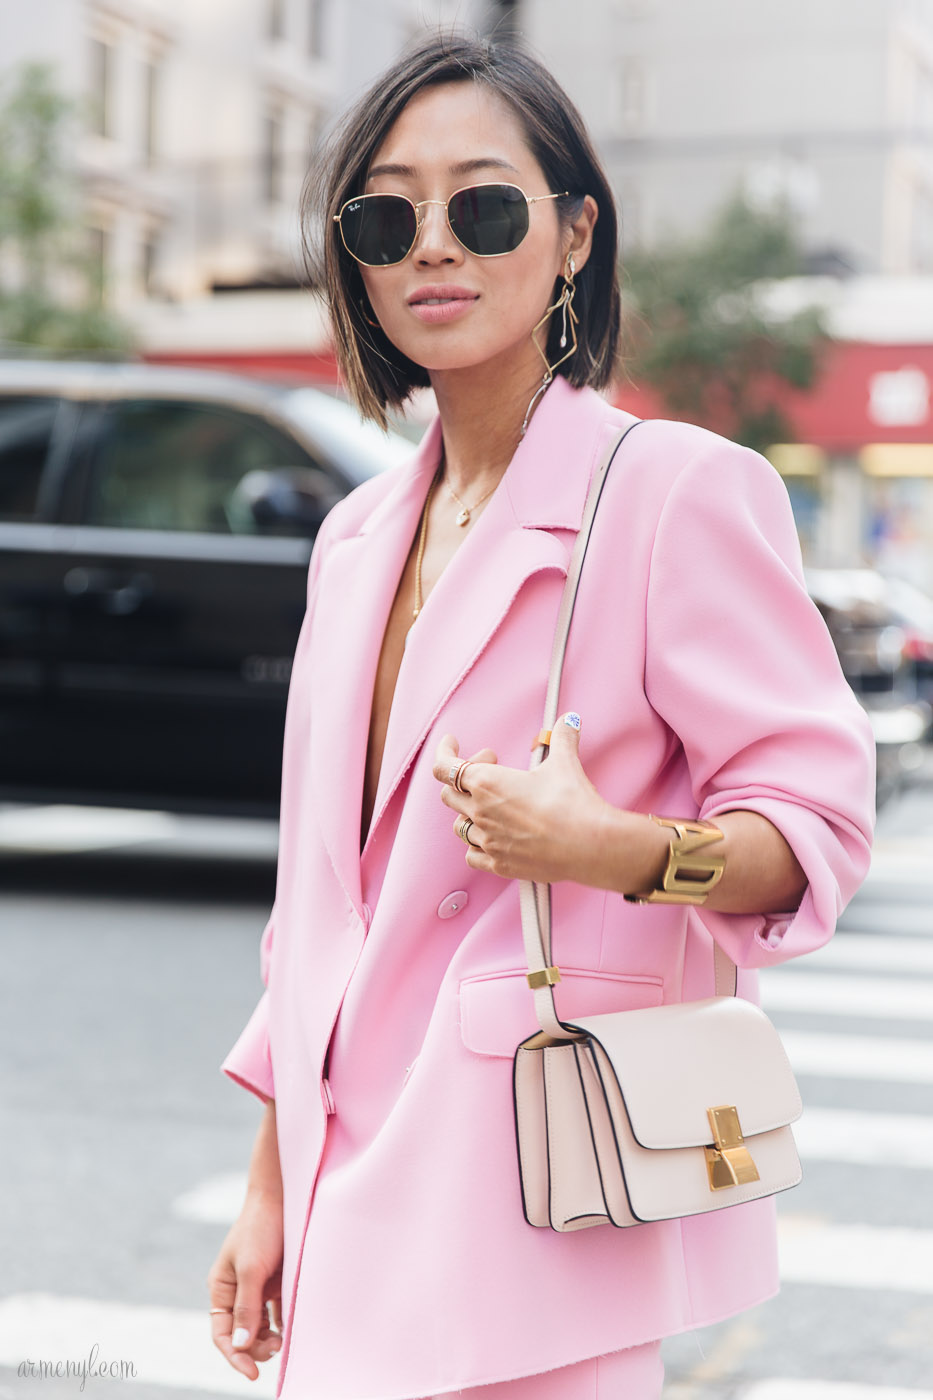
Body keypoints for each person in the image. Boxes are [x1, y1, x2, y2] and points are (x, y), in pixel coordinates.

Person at [208, 31, 875, 1400]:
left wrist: (614, 849)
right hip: (352, 1177)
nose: (432, 247)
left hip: (529, 1189)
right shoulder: (352, 537)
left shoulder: (677, 491)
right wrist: (272, 1188)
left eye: (485, 204)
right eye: (387, 215)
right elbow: (315, 911)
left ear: (573, 234)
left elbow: (810, 833)